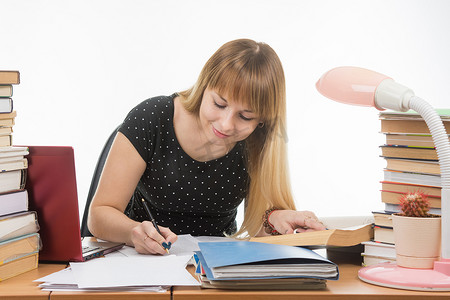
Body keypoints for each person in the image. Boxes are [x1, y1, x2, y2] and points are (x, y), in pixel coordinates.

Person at [88, 38, 326, 255]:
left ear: (263, 119)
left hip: (216, 268)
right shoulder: (153, 118)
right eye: (219, 103)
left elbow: (256, 233)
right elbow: (99, 215)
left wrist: (275, 219)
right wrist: (133, 232)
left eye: (245, 117)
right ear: (204, 86)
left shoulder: (257, 140)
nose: (226, 124)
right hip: (140, 261)